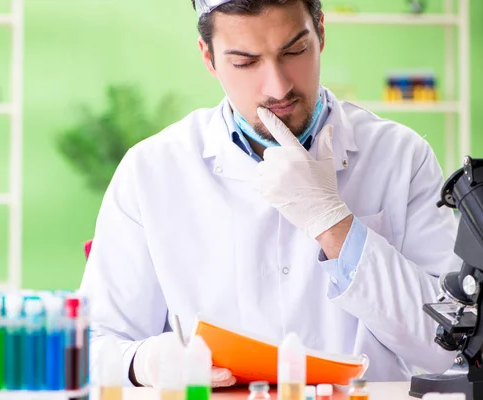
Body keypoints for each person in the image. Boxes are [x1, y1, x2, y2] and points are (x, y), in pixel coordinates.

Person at [80, 0, 462, 388]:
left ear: (321, 34)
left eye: (295, 51)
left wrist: (334, 223)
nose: (278, 86)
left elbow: (444, 344)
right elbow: (95, 346)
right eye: (245, 62)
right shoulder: (151, 170)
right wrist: (143, 362)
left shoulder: (400, 156)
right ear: (208, 58)